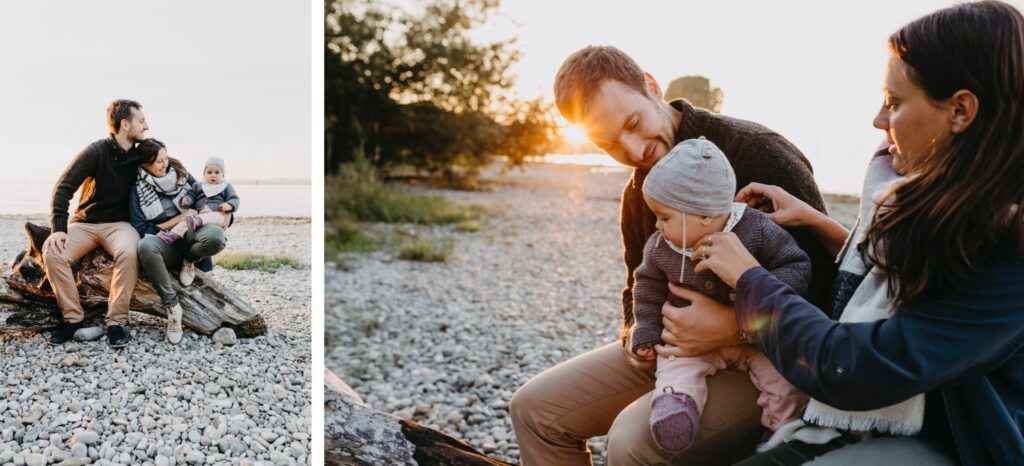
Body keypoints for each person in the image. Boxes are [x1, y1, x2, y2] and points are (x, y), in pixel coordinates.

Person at [688, 2, 1024, 464]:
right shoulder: (930, 199)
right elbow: (900, 277)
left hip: (958, 441)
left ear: (961, 110)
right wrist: (818, 223)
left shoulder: (1009, 243)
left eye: (894, 102)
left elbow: (853, 368)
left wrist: (748, 279)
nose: (878, 121)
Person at [511, 45, 834, 466]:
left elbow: (828, 291)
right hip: (678, 351)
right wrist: (636, 337)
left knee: (631, 440)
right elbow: (636, 283)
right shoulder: (638, 192)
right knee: (534, 409)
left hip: (776, 360)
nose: (633, 150)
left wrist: (734, 328)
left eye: (633, 123)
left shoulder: (758, 153)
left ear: (651, 86)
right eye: (608, 143)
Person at [629, 137, 810, 453]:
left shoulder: (755, 230)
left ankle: (780, 434)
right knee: (674, 365)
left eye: (665, 217)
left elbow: (795, 264)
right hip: (691, 342)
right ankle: (676, 409)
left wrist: (762, 292)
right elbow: (646, 286)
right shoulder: (661, 246)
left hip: (758, 341)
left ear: (703, 214)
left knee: (784, 381)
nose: (657, 226)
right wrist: (646, 331)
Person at [44, 99, 148, 348]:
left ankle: (116, 322)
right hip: (85, 223)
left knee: (129, 252)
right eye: (142, 121)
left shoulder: (141, 154)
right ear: (125, 124)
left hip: (120, 225)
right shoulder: (96, 151)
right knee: (53, 254)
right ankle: (72, 318)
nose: (147, 126)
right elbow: (63, 187)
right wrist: (58, 229)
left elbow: (169, 171)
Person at [130, 139, 226, 345]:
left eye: (165, 157)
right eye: (158, 162)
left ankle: (190, 260)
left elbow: (208, 196)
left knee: (217, 237)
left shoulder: (180, 174)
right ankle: (173, 307)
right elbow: (141, 229)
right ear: (145, 165)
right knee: (145, 246)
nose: (165, 164)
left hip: (193, 235)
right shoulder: (137, 190)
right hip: (167, 243)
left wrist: (226, 215)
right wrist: (177, 220)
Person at [158, 156, 239, 245]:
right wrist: (187, 200)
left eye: (217, 172)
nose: (213, 175)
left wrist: (229, 206)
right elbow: (191, 195)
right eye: (209, 172)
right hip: (199, 215)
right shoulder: (198, 185)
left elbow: (234, 199)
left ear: (223, 175)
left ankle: (197, 221)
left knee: (213, 217)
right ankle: (172, 235)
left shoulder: (226, 186)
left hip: (217, 214)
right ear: (204, 174)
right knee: (185, 222)